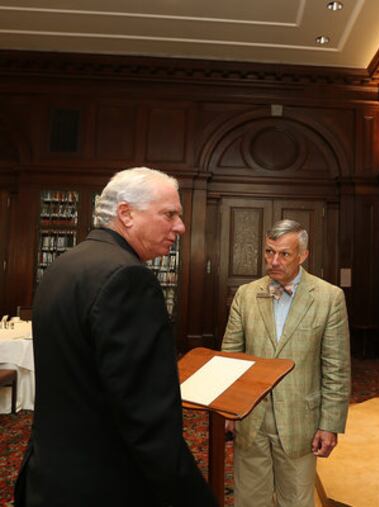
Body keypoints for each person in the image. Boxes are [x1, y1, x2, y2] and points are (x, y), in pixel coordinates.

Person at [15, 167, 216, 507]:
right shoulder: (128, 279)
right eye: (169, 214)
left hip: (52, 472)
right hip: (106, 481)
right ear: (126, 214)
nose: (180, 227)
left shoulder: (66, 263)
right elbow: (145, 416)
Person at [221, 219, 350, 507]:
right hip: (250, 416)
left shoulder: (329, 298)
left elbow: (336, 368)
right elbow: (231, 356)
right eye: (269, 252)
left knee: (296, 500)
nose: (274, 261)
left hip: (299, 421)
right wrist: (228, 409)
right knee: (250, 500)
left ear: (303, 255)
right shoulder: (246, 294)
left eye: (284, 254)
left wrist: (330, 424)